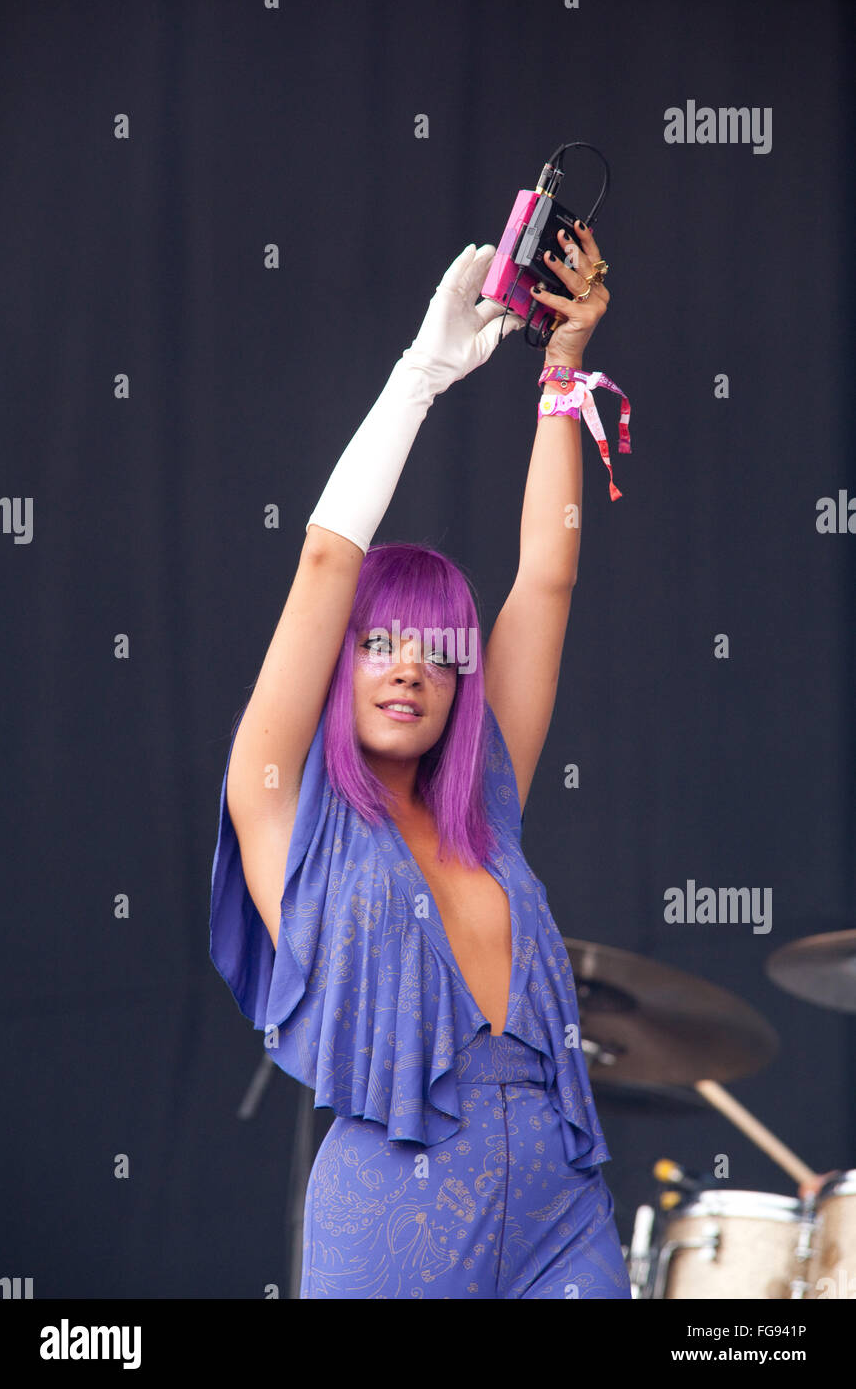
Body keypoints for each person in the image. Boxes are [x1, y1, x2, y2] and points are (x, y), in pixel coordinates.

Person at [209, 224, 633, 1298]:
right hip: (392, 1210)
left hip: (559, 1202)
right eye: (377, 642)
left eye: (439, 651)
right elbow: (323, 560)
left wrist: (560, 367)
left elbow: (544, 580)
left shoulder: (485, 799)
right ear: (337, 666)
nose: (409, 669)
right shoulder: (283, 815)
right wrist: (421, 377)